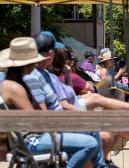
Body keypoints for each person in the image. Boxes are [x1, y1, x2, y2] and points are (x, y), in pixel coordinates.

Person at [0, 37, 107, 168]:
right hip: (32, 141)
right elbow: (36, 120)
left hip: (31, 138)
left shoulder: (12, 82)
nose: (35, 65)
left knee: (92, 131)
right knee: (90, 143)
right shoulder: (15, 87)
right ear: (26, 63)